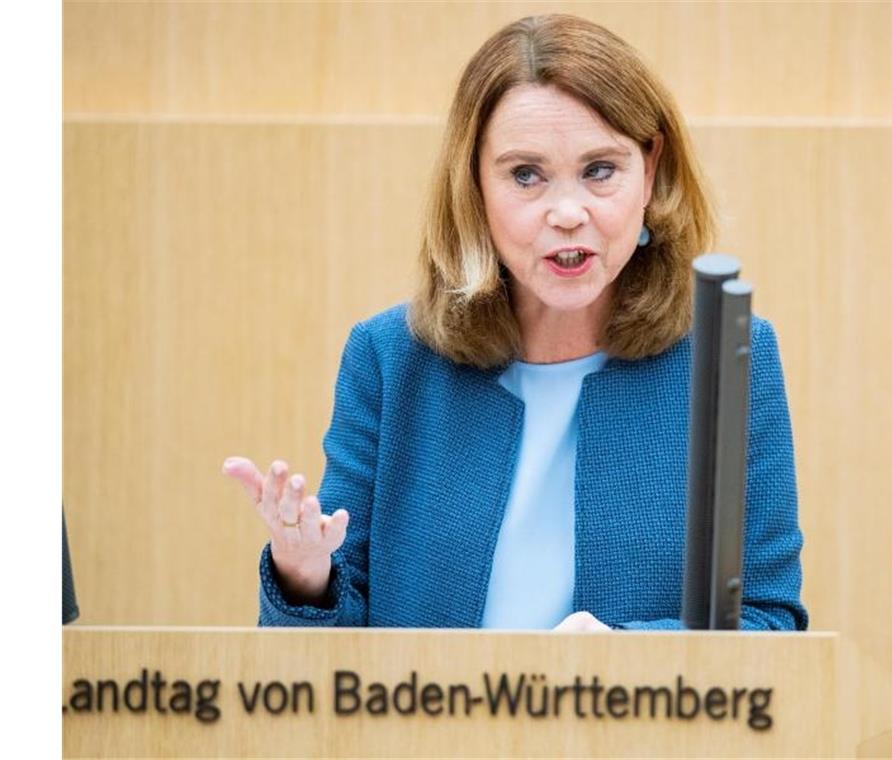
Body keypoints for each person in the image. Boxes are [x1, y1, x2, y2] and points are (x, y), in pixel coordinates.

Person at [222, 14, 807, 632]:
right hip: (430, 729)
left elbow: (770, 622)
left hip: (635, 730)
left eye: (600, 170)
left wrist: (624, 662)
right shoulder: (391, 359)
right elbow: (329, 675)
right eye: (525, 175)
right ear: (474, 184)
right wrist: (305, 575)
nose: (567, 212)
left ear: (651, 169)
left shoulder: (728, 357)